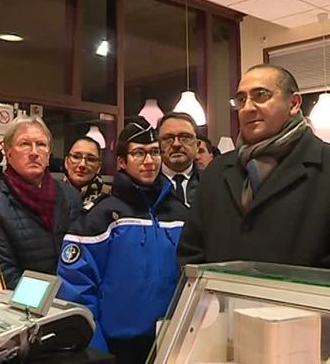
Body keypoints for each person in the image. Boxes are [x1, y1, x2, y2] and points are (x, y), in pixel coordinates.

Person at [57, 116, 186, 364]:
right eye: (139, 153)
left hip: (173, 338)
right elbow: (76, 290)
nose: (149, 161)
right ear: (121, 162)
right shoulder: (99, 217)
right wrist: (95, 350)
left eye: (155, 153)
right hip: (117, 347)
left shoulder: (180, 214)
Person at [178, 64, 330, 268]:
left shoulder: (325, 165)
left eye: (261, 95)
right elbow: (190, 254)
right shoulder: (217, 171)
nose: (248, 107)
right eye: (241, 99)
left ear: (294, 103)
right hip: (223, 298)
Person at [0, 116, 82, 289]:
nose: (34, 152)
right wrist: (54, 298)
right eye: (24, 144)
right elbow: (6, 277)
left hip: (75, 303)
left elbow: (82, 259)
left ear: (48, 154)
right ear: (8, 153)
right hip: (24, 309)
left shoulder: (71, 196)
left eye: (41, 144)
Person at [157, 112, 200, 206]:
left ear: (197, 145)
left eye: (185, 137)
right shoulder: (146, 186)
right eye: (168, 138)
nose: (176, 144)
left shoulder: (212, 183)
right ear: (158, 145)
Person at [63, 136, 111, 207]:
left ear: (99, 167)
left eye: (91, 159)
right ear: (66, 162)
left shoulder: (110, 196)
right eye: (76, 157)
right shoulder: (51, 193)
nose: (82, 165)